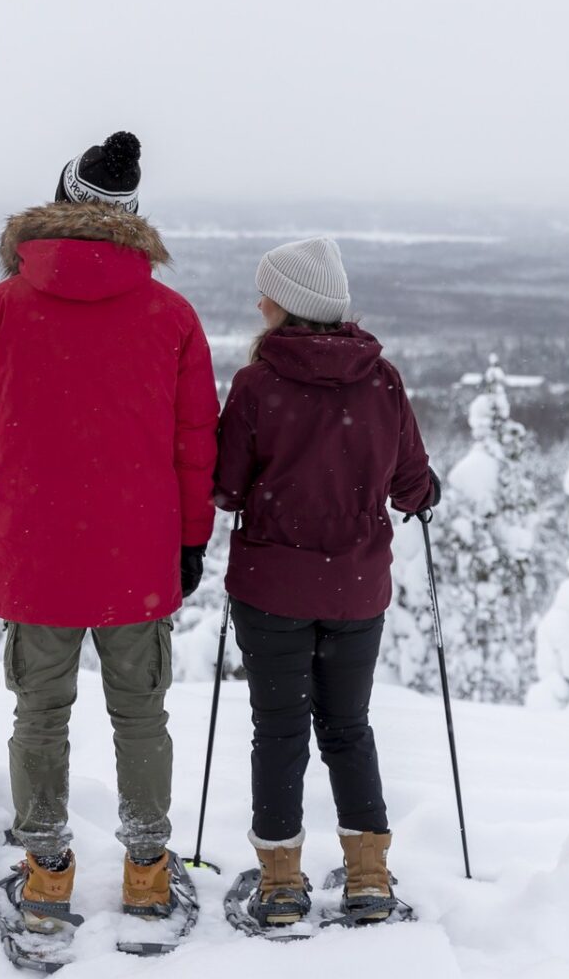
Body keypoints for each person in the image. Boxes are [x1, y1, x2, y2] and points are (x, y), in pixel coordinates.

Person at [0, 131, 218, 932]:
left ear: (59, 206)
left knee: (39, 715)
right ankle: (146, 873)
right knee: (142, 715)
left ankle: (49, 873)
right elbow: (194, 441)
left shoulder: (0, 310)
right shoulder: (171, 316)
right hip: (136, 555)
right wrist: (190, 540)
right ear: (130, 220)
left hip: (33, 551)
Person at [211, 236, 438, 927]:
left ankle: (281, 884)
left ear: (291, 306)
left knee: (278, 731)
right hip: (355, 591)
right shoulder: (382, 379)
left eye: (268, 295)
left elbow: (224, 487)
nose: (259, 305)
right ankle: (369, 877)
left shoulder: (258, 385)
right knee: (347, 729)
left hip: (271, 587)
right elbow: (412, 487)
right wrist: (421, 492)